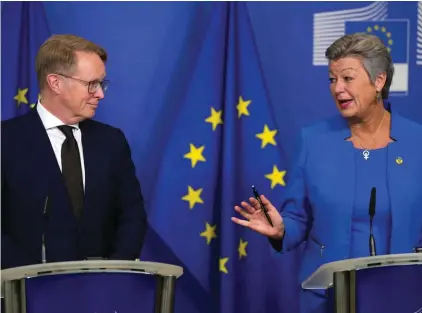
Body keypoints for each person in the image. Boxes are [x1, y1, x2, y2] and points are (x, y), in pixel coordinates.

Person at [232, 33, 422, 313]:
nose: (337, 89)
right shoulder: (313, 141)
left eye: (347, 78)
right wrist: (281, 229)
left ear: (378, 81)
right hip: (327, 300)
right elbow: (298, 216)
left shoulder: (417, 141)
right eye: (332, 80)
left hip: (404, 297)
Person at [1, 34, 148, 269]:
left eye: (102, 84)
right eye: (91, 84)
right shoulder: (6, 141)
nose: (100, 94)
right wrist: (28, 282)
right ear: (55, 83)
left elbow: (132, 217)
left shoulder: (112, 142)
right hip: (24, 294)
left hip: (101, 292)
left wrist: (112, 273)